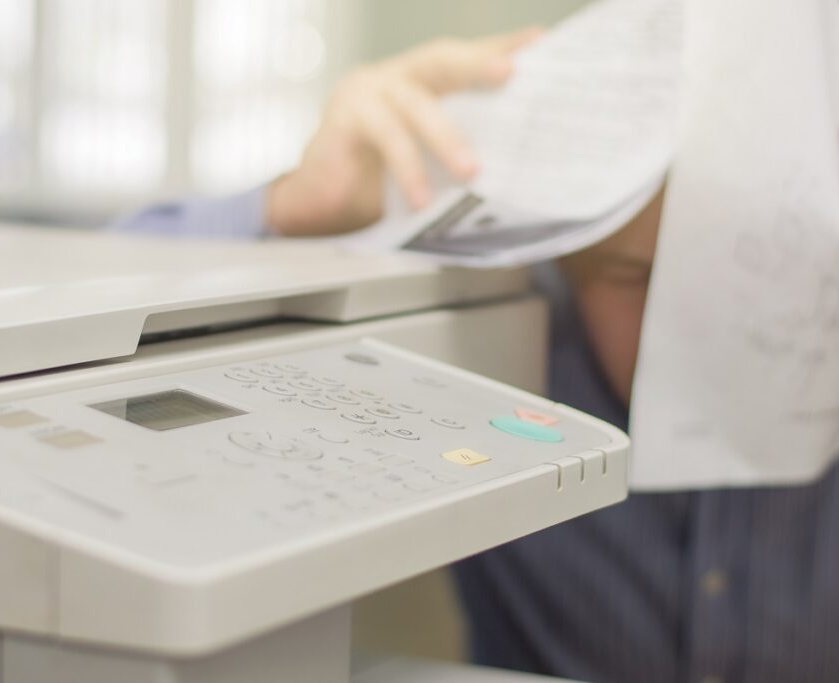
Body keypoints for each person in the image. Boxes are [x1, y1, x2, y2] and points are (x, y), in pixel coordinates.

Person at [117, 30, 839, 683]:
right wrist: (287, 210)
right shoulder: (502, 346)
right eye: (638, 279)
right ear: (565, 256)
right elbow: (66, 315)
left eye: (757, 288)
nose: (692, 333)